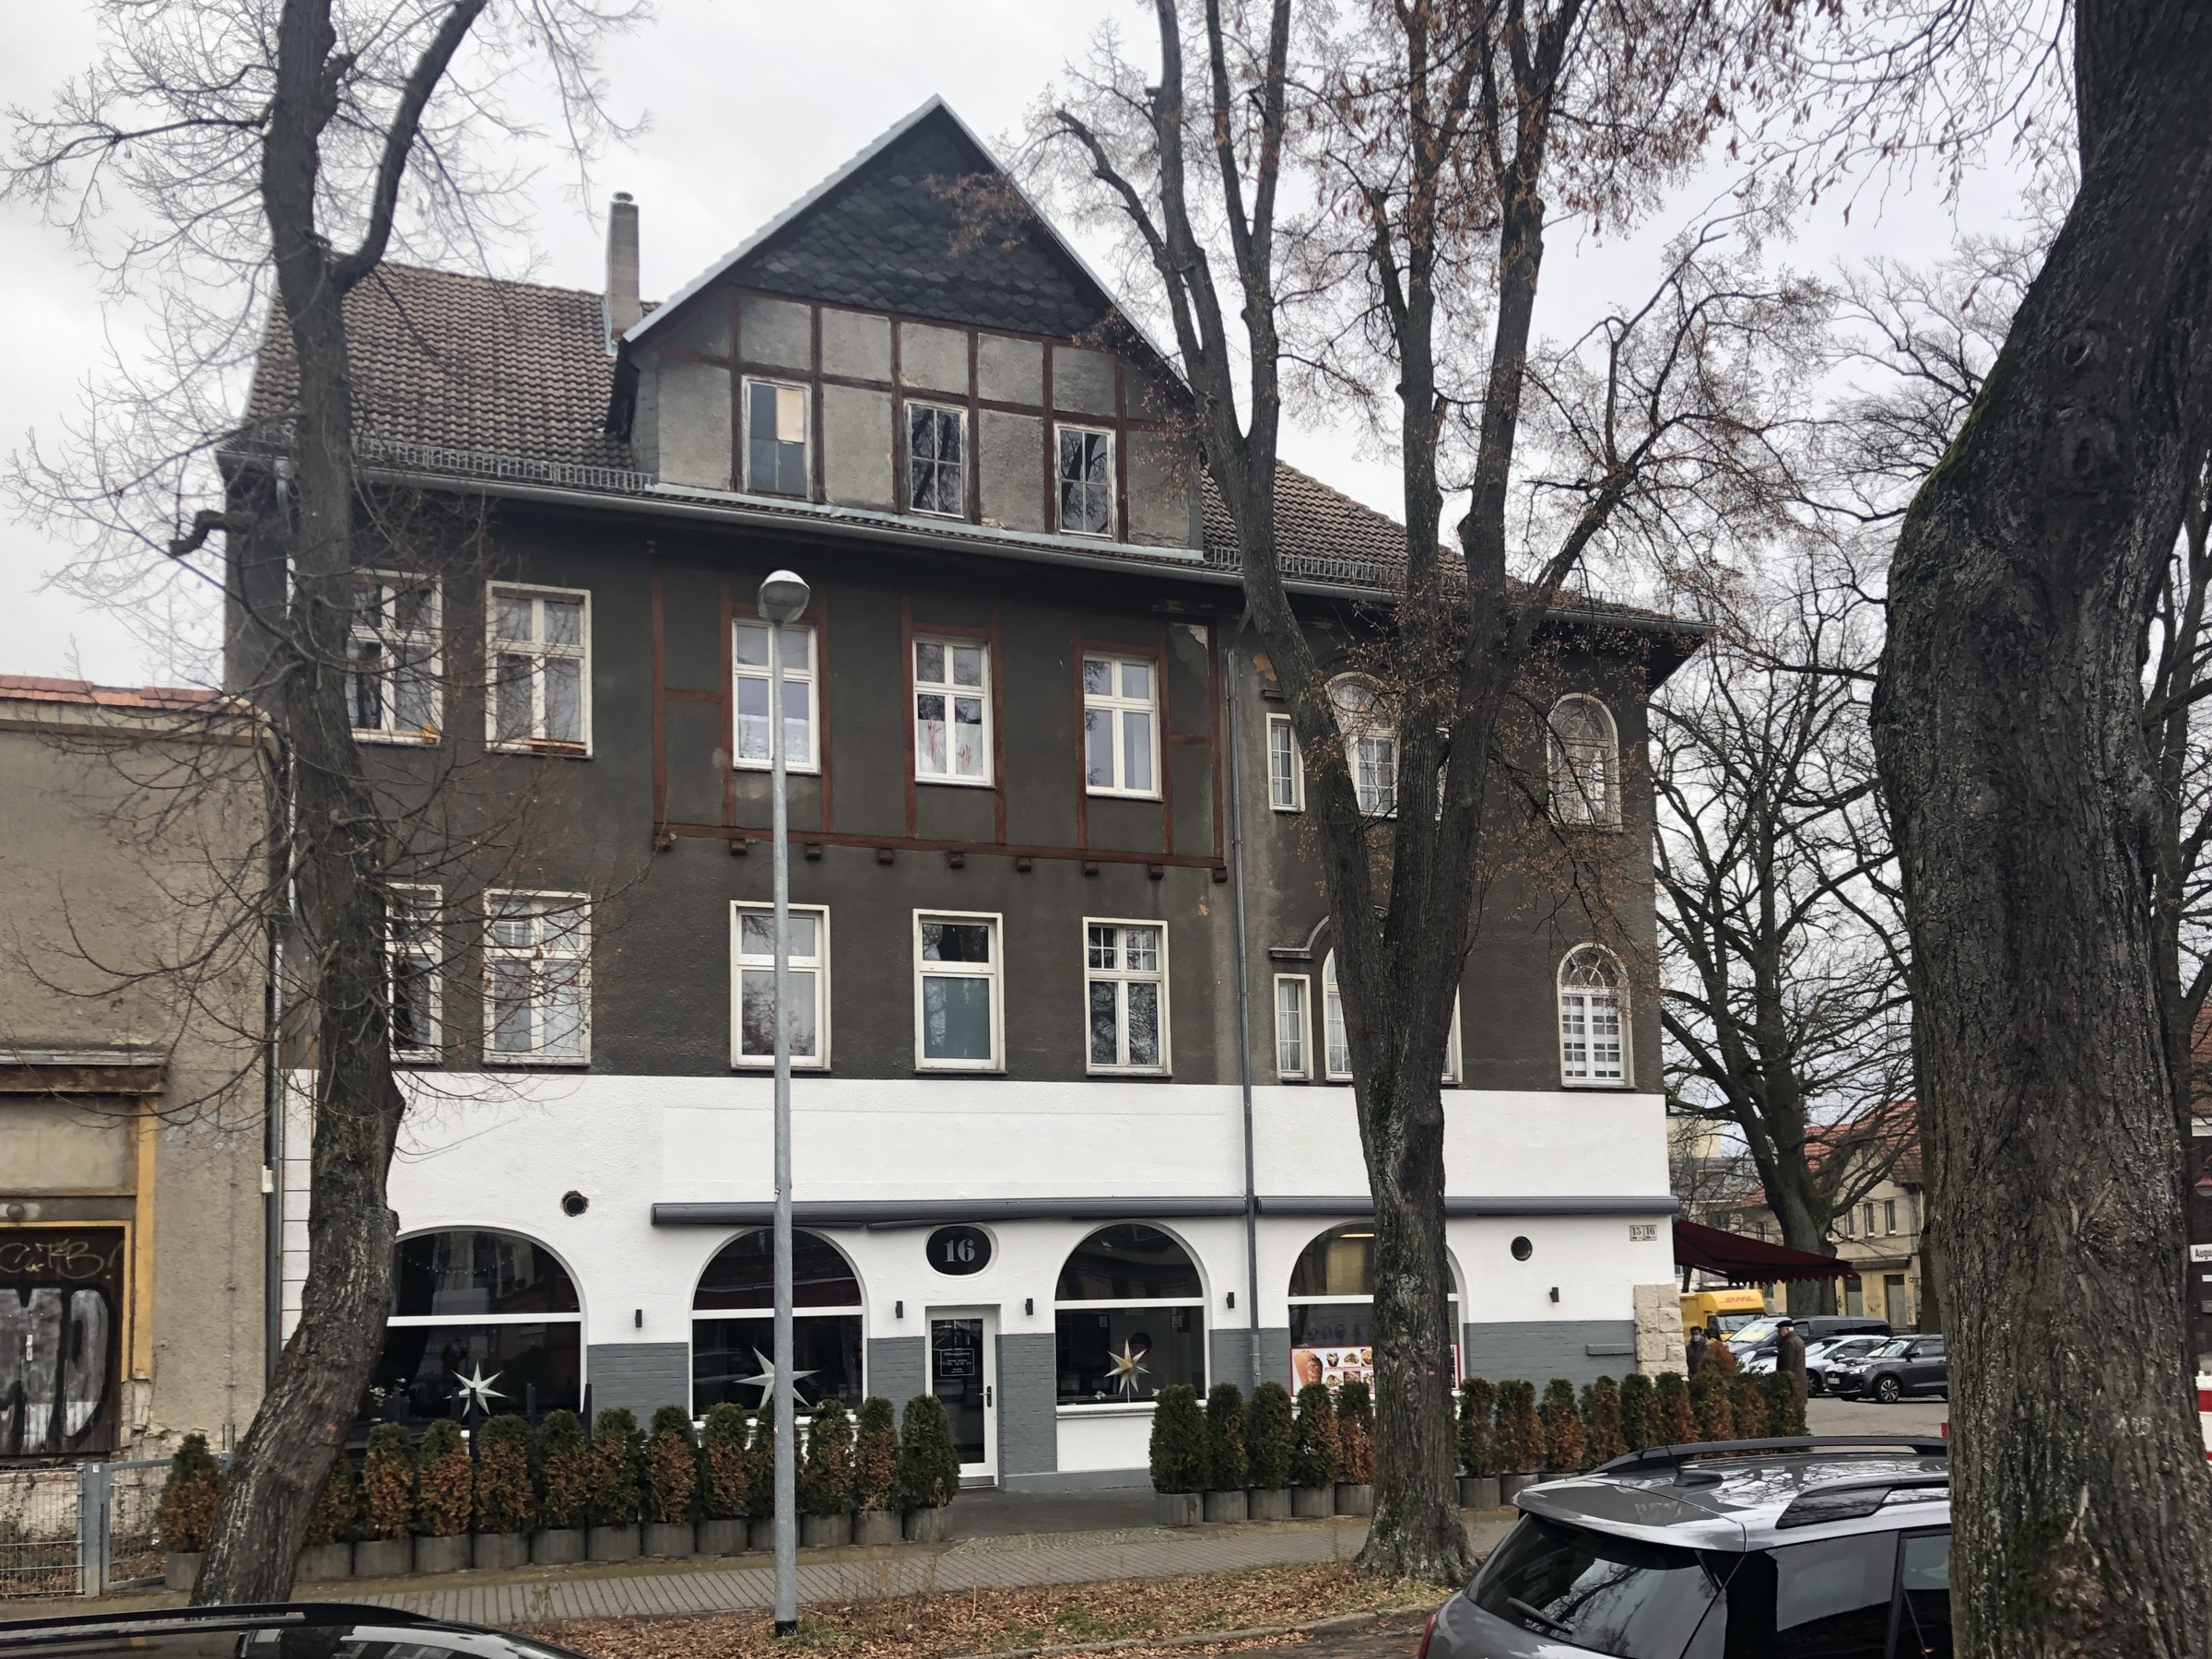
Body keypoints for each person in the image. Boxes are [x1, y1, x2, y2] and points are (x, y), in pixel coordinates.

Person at [1776, 1316, 1808, 1399]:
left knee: (1791, 1402)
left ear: (1787, 1329)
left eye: (1780, 1330)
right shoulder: (1797, 1339)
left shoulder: (1789, 1342)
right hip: (1798, 1377)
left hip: (1792, 1380)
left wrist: (1782, 1378)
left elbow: (1787, 1363)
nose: (1778, 1332)